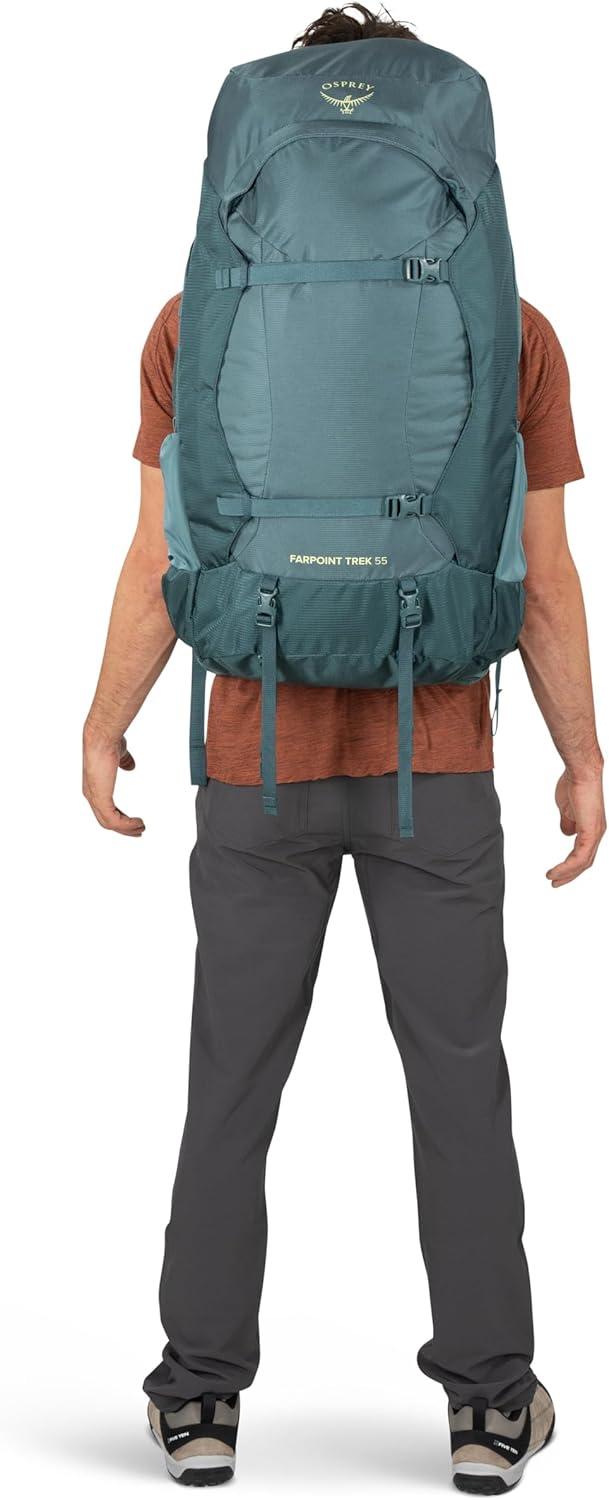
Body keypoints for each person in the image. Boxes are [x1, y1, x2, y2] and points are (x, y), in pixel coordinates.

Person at [83, 5, 605, 1491]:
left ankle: (197, 1401)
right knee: (459, 1080)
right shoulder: (512, 324)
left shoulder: (196, 317)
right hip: (435, 763)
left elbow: (160, 557)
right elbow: (543, 577)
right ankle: (489, 1409)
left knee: (229, 1082)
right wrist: (581, 755)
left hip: (253, 760)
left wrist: (105, 719)